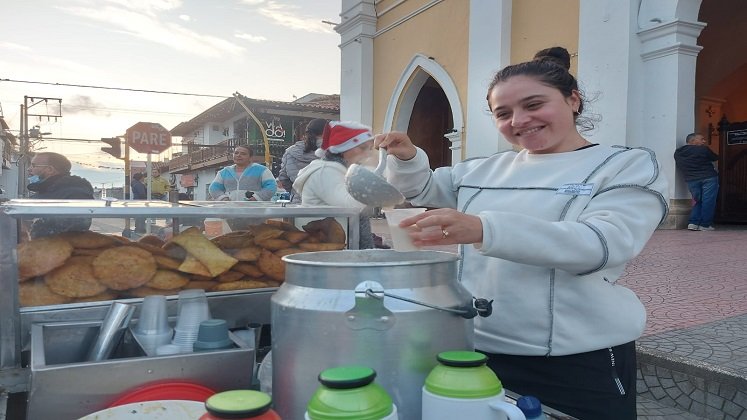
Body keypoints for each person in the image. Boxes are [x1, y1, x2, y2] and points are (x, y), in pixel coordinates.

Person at [375, 47, 669, 420]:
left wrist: (484, 228)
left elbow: (601, 244)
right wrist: (407, 157)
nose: (520, 120)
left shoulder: (623, 165)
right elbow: (423, 189)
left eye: (534, 104)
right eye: (504, 113)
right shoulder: (483, 169)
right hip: (480, 348)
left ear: (573, 100)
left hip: (576, 359)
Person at [293, 121, 378, 249]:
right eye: (362, 148)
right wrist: (371, 179)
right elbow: (351, 207)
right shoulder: (326, 172)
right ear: (343, 148)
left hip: (336, 243)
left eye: (370, 149)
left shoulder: (342, 171)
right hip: (326, 246)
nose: (367, 154)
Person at [26, 151, 95, 238]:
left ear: (50, 170)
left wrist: (36, 227)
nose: (29, 169)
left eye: (33, 165)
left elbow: (74, 230)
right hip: (39, 247)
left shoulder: (76, 194)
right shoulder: (45, 190)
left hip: (59, 249)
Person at [209, 145, 278, 230]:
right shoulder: (224, 172)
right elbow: (214, 188)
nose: (238, 155)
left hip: (256, 214)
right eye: (236, 153)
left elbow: (271, 187)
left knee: (255, 238)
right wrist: (224, 199)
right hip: (231, 214)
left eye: (243, 154)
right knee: (236, 237)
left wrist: (256, 198)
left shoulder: (261, 170)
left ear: (250, 158)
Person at [674, 132, 719, 231]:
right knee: (708, 201)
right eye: (701, 139)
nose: (704, 141)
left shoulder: (678, 152)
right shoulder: (703, 150)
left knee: (699, 201)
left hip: (691, 180)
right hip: (709, 178)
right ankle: (705, 225)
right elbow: (715, 157)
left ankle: (693, 223)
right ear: (692, 141)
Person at [278, 118, 327, 203]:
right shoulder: (334, 151)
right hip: (327, 205)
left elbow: (283, 178)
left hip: (298, 205)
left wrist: (296, 191)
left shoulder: (290, 151)